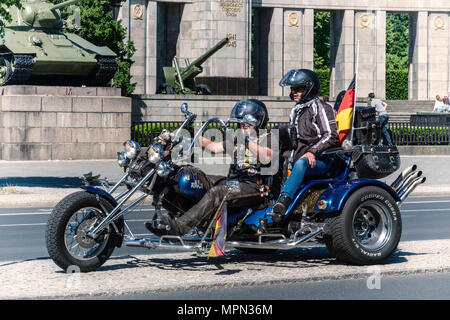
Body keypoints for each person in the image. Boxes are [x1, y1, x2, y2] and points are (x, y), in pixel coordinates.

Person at [145, 99, 276, 236]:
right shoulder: (238, 138)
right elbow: (213, 147)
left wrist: (247, 141)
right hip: (233, 182)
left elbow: (266, 156)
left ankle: (180, 227)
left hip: (254, 186)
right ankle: (197, 222)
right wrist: (194, 133)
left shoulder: (268, 137)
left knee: (218, 192)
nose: (243, 126)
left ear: (259, 120)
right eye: (241, 123)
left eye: (247, 123)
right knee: (194, 178)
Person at [272, 69, 339, 216]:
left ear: (309, 88)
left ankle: (283, 201)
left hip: (321, 159)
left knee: (301, 163)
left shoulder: (321, 107)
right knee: (272, 160)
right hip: (299, 156)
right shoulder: (296, 109)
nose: (294, 92)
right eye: (292, 89)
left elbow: (332, 135)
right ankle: (266, 201)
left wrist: (312, 151)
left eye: (298, 89)